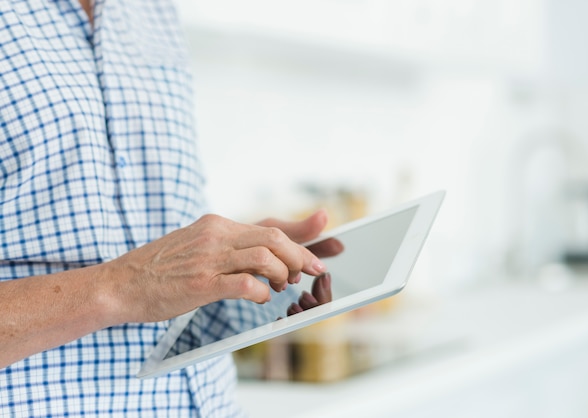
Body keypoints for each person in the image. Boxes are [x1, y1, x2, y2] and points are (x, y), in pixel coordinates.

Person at [0, 1, 338, 416]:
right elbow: (144, 281)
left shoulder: (152, 11)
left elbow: (164, 290)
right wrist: (122, 285)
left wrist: (235, 272)